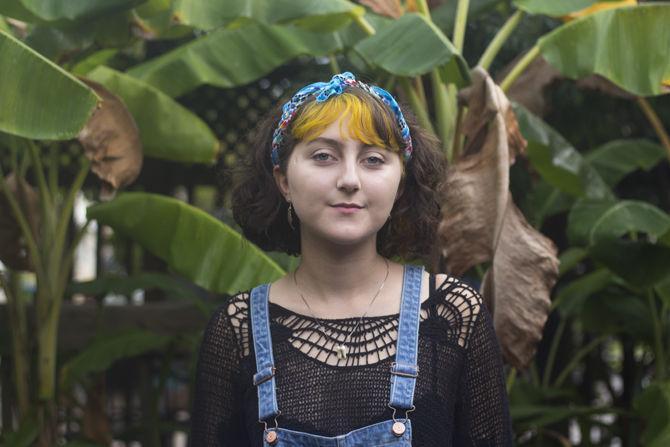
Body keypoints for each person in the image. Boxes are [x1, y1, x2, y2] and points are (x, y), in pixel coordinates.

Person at [189, 72, 513, 446]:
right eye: (323, 156)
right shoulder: (239, 329)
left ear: (401, 183)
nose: (349, 179)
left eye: (373, 159)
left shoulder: (453, 314)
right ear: (283, 181)